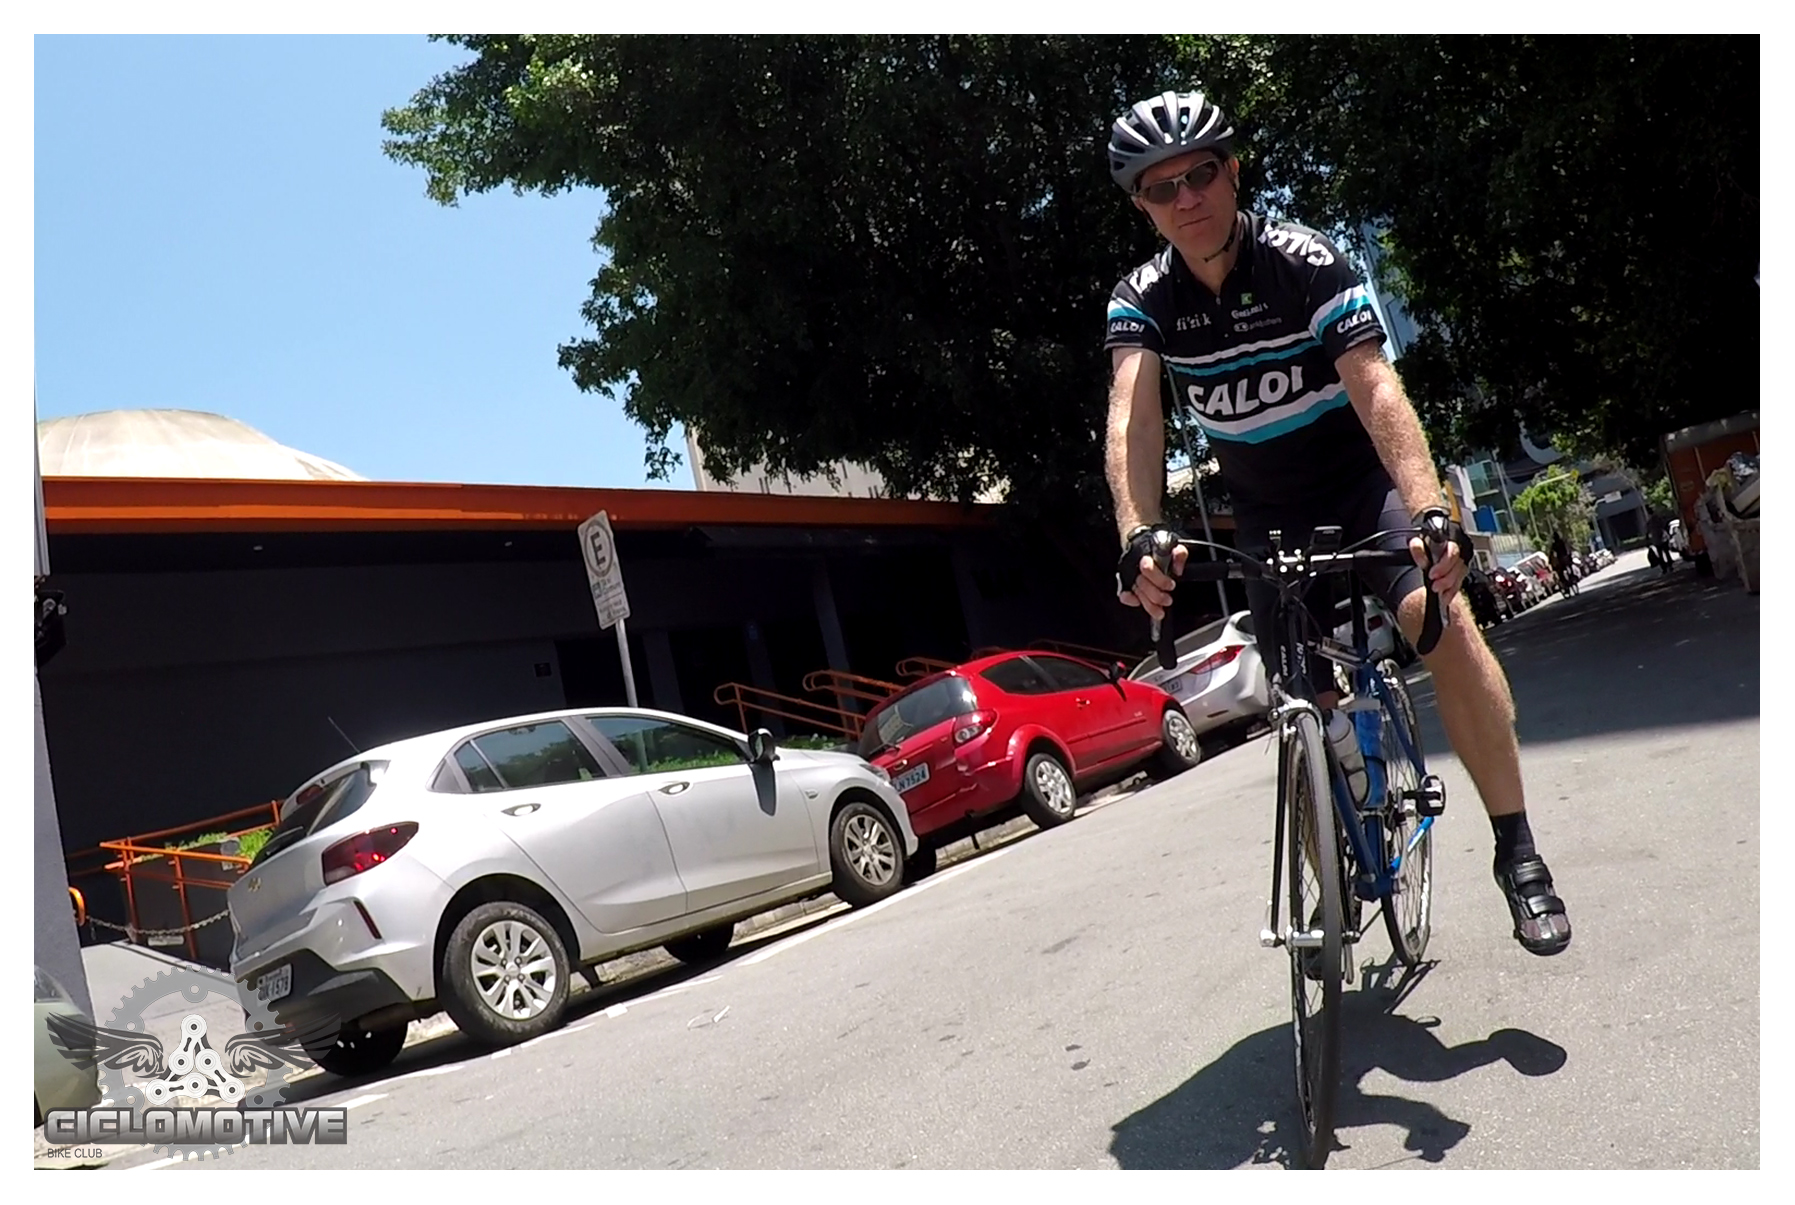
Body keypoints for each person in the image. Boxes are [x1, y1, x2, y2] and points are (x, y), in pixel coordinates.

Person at [1101, 90, 1570, 956]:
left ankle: (1518, 851)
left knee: (1441, 623)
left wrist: (1428, 511)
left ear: (1232, 172)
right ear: (1143, 207)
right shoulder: (1143, 298)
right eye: (1162, 188)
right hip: (1266, 515)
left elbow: (1376, 388)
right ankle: (1336, 838)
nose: (1187, 198)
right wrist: (1139, 530)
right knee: (1299, 704)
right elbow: (1134, 417)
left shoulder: (1302, 260)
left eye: (1201, 174)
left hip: (1359, 489)